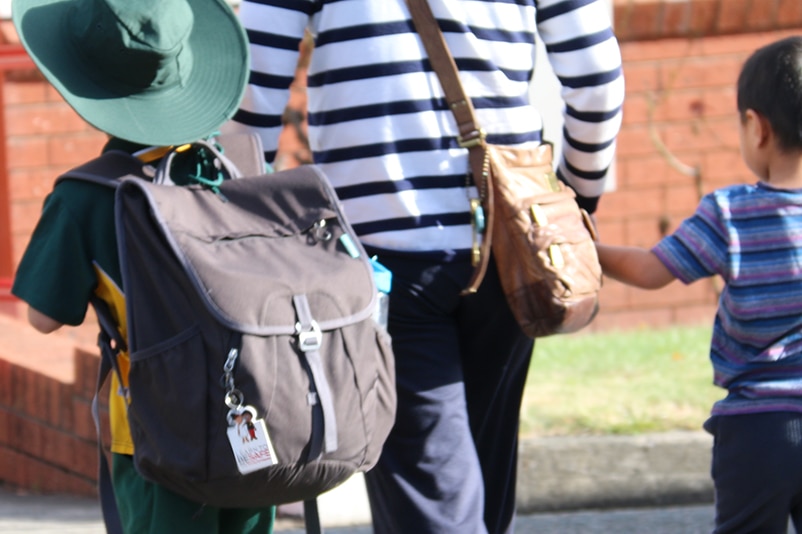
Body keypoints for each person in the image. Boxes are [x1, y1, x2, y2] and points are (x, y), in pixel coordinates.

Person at [224, 1, 624, 532]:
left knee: (432, 495)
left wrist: (247, 236)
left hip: (379, 255)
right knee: (479, 480)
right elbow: (597, 85)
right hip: (514, 242)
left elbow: (251, 100)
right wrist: (575, 202)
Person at [10, 0, 275, 532]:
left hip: (157, 435)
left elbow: (42, 319)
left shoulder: (85, 195)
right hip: (259, 425)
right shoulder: (244, 166)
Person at [595, 36, 802, 533]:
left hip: (759, 426)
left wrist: (584, 246)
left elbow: (649, 271)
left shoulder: (730, 212)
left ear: (756, 127)